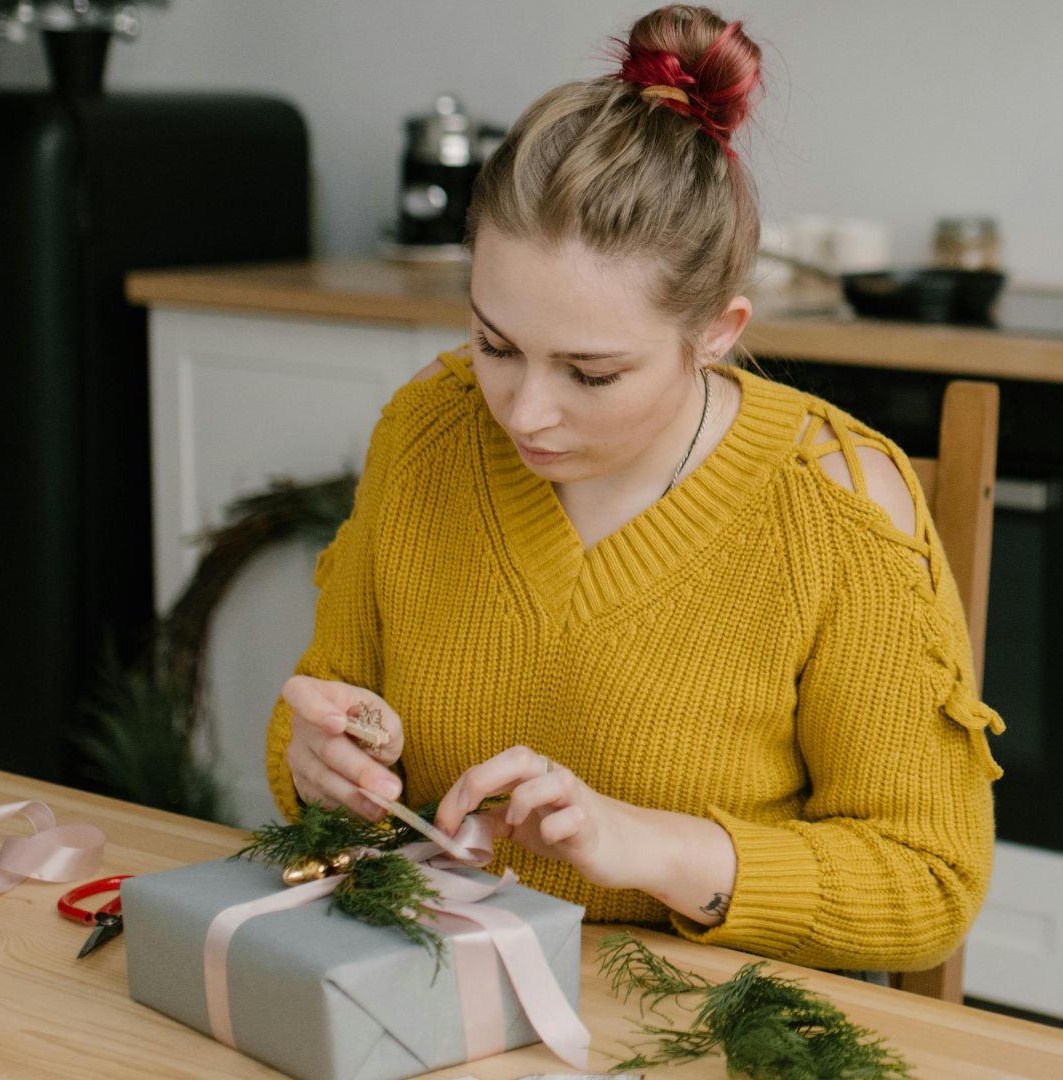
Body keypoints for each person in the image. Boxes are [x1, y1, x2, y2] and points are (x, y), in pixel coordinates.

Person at [265, 3, 1002, 974]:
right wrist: (316, 764)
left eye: (590, 373)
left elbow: (928, 881)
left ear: (717, 331)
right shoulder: (429, 429)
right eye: (495, 344)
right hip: (429, 990)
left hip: (698, 1028)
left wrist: (649, 848)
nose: (524, 412)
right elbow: (321, 709)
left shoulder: (837, 507)